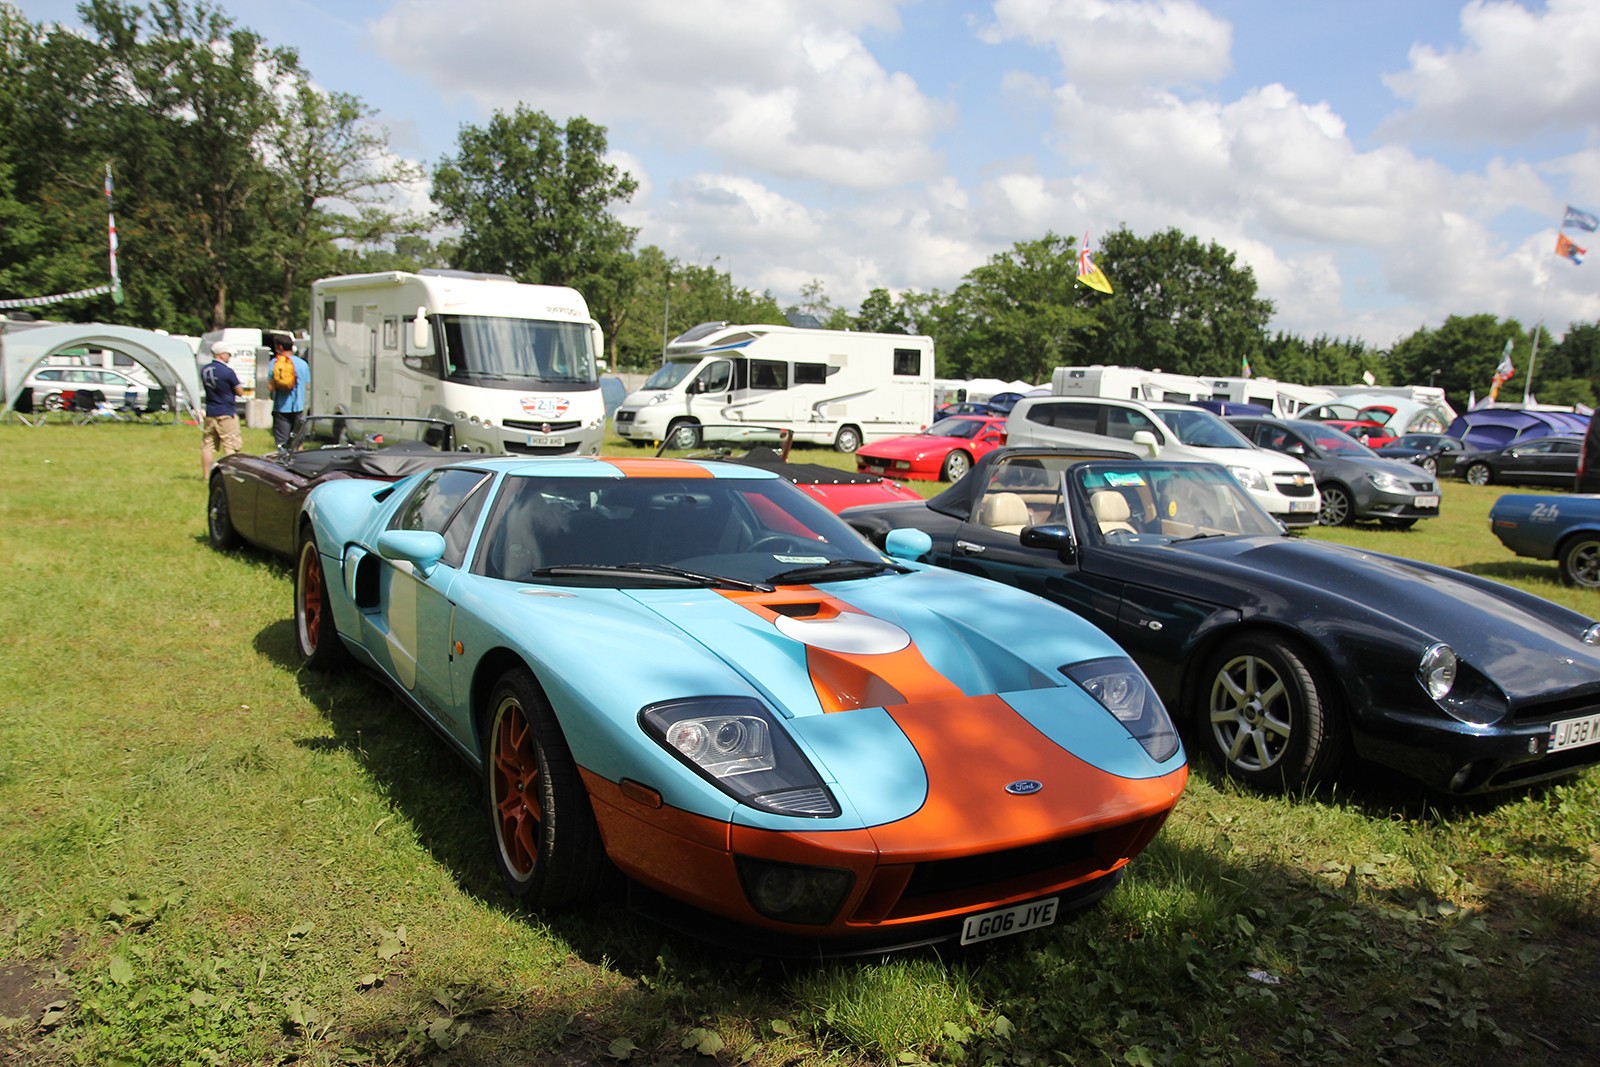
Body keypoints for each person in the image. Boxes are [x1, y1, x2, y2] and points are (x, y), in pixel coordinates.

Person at [200, 342, 245, 479]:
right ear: (221, 354)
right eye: (228, 354)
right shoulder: (227, 371)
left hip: (211, 411)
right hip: (226, 411)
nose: (229, 357)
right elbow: (240, 391)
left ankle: (206, 475)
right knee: (230, 444)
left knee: (208, 445)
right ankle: (230, 475)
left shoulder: (204, 370)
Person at [267, 334, 309, 450]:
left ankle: (284, 459)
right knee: (298, 442)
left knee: (282, 443)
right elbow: (307, 385)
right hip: (299, 407)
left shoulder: (275, 363)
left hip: (281, 408)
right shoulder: (303, 364)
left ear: (280, 347)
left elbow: (270, 386)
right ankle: (299, 458)